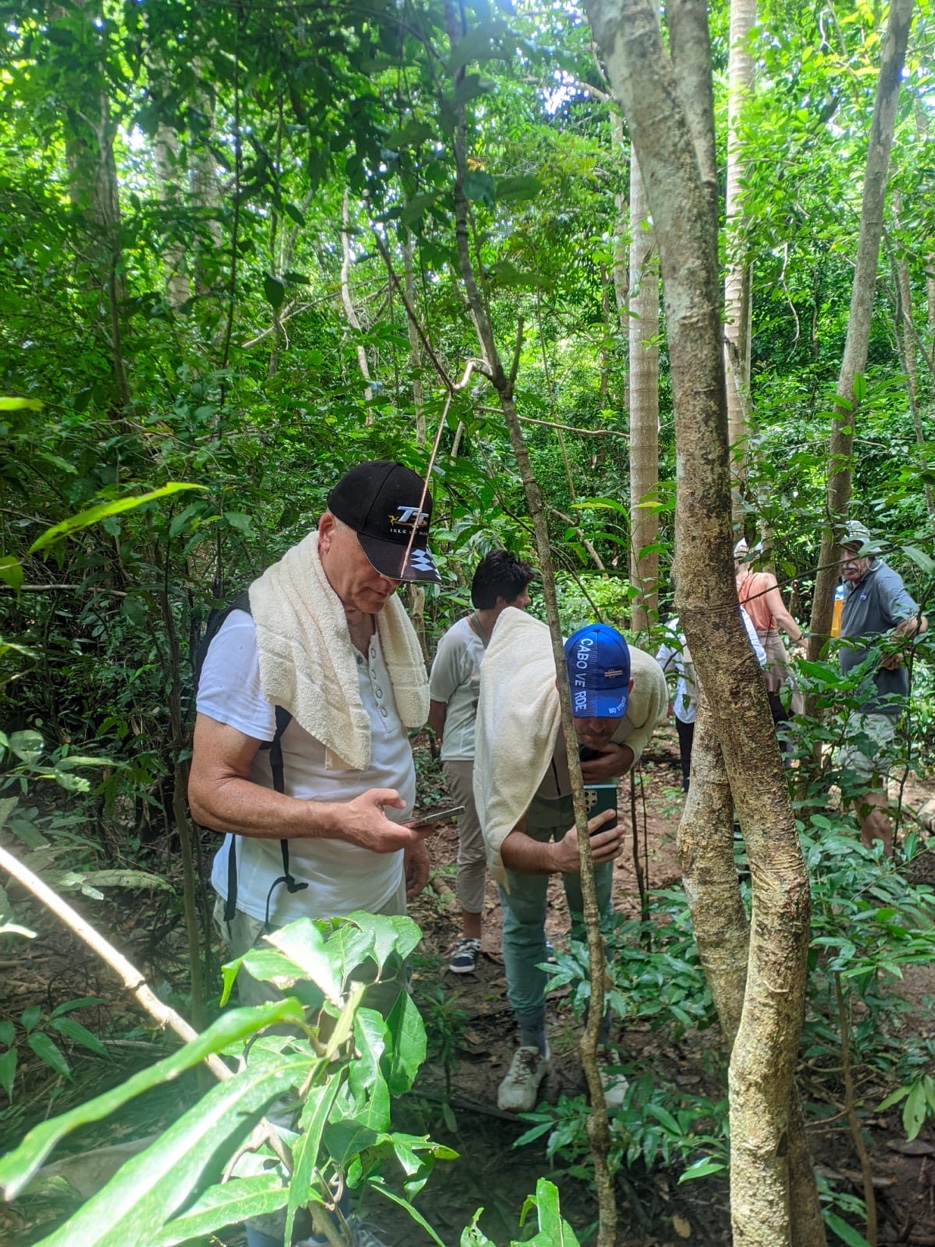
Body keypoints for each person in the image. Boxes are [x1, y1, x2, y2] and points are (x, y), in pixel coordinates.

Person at [188, 460, 444, 1247]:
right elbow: (208, 791)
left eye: (403, 569)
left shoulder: (381, 618)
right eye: (375, 561)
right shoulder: (260, 633)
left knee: (356, 1069)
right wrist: (340, 823)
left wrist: (392, 846)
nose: (388, 585)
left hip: (371, 894)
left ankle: (338, 1212)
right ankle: (271, 1228)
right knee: (284, 1079)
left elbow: (374, 748)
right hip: (290, 909)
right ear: (327, 531)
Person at [473, 613, 667, 1113]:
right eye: (584, 713)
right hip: (528, 797)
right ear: (561, 689)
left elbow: (647, 721)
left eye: (609, 710)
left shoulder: (646, 682)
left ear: (626, 686)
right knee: (524, 920)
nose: (598, 726)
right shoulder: (518, 722)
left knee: (595, 920)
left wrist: (628, 753)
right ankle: (532, 1045)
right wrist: (555, 857)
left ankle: (597, 1044)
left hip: (592, 793)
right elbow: (500, 839)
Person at [428, 549, 536, 974]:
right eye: (522, 595)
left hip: (510, 755)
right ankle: (470, 937)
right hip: (466, 757)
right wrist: (450, 751)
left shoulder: (521, 636)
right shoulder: (458, 640)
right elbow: (436, 705)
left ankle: (520, 934)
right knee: (474, 848)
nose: (528, 602)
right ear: (499, 602)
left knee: (514, 842)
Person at [837, 520, 927, 856]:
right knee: (870, 783)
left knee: (859, 782)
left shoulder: (883, 579)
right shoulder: (853, 583)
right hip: (860, 703)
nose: (847, 560)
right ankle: (877, 856)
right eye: (843, 552)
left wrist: (892, 646)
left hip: (875, 704)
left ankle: (883, 858)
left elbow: (915, 619)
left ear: (870, 552)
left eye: (855, 552)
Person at [656, 608, 766, 791]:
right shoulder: (737, 617)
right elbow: (759, 660)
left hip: (695, 708)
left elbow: (660, 669)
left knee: (695, 767)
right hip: (721, 707)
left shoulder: (674, 627)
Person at [734, 538, 806, 745]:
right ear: (754, 558)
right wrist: (806, 644)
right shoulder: (765, 579)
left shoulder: (728, 587)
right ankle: (787, 757)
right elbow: (781, 615)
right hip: (768, 646)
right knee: (787, 705)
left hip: (741, 650)